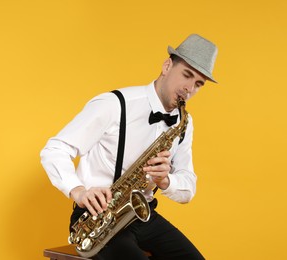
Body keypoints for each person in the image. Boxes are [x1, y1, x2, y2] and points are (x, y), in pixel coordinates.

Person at [40, 33, 218, 260]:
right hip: (97, 218)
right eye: (186, 75)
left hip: (142, 216)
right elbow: (55, 149)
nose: (189, 88)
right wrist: (79, 191)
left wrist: (166, 180)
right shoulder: (115, 104)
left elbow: (188, 186)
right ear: (166, 66)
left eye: (198, 84)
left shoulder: (184, 123)